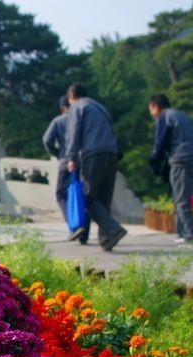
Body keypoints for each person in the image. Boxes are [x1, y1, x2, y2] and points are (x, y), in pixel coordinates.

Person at [64, 83, 127, 252]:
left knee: (88, 197)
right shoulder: (100, 107)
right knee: (103, 198)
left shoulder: (77, 107)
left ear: (72, 96)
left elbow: (74, 132)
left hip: (93, 154)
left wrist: (71, 157)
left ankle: (113, 229)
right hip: (111, 153)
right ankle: (106, 239)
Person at [148, 94, 193, 247]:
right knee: (181, 195)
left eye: (150, 108)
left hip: (182, 158)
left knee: (181, 199)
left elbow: (161, 141)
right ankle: (181, 233)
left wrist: (154, 160)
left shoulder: (164, 116)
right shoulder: (181, 115)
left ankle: (192, 236)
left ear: (156, 106)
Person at [43, 95, 80, 240]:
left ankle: (74, 226)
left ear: (62, 108)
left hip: (66, 160)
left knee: (61, 194)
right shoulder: (81, 118)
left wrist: (57, 153)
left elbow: (47, 140)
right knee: (81, 194)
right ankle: (83, 229)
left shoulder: (59, 121)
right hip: (83, 160)